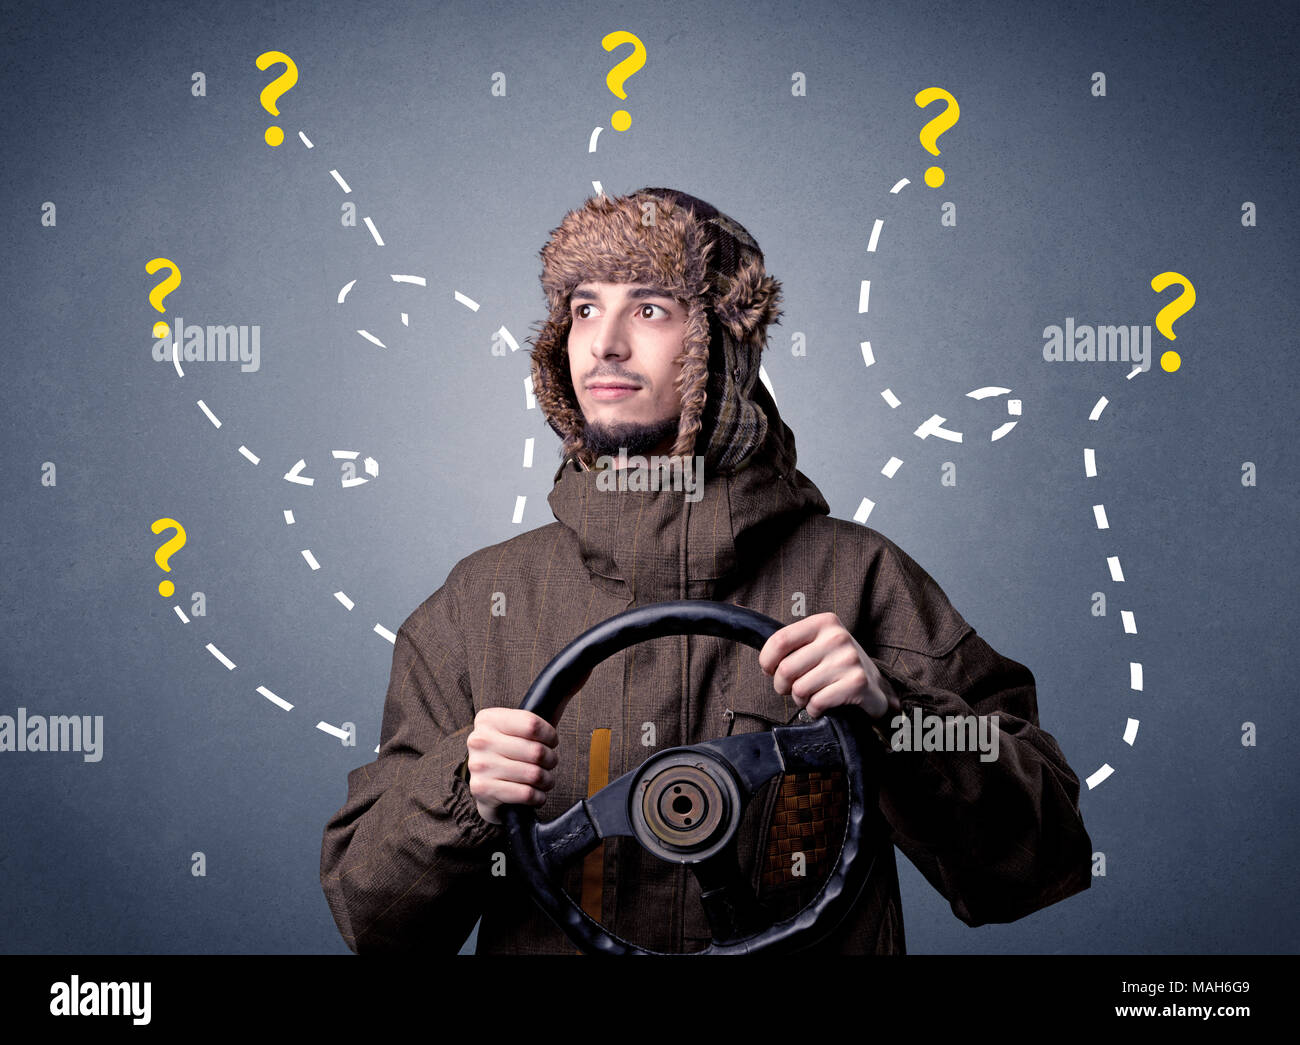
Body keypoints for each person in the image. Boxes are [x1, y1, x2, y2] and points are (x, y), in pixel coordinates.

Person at [319, 187, 1093, 954]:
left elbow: (1041, 862)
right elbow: (373, 921)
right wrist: (462, 789)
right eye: (585, 308)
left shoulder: (864, 578)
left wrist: (895, 714)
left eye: (650, 308)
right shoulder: (481, 602)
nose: (605, 344)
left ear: (724, 340)